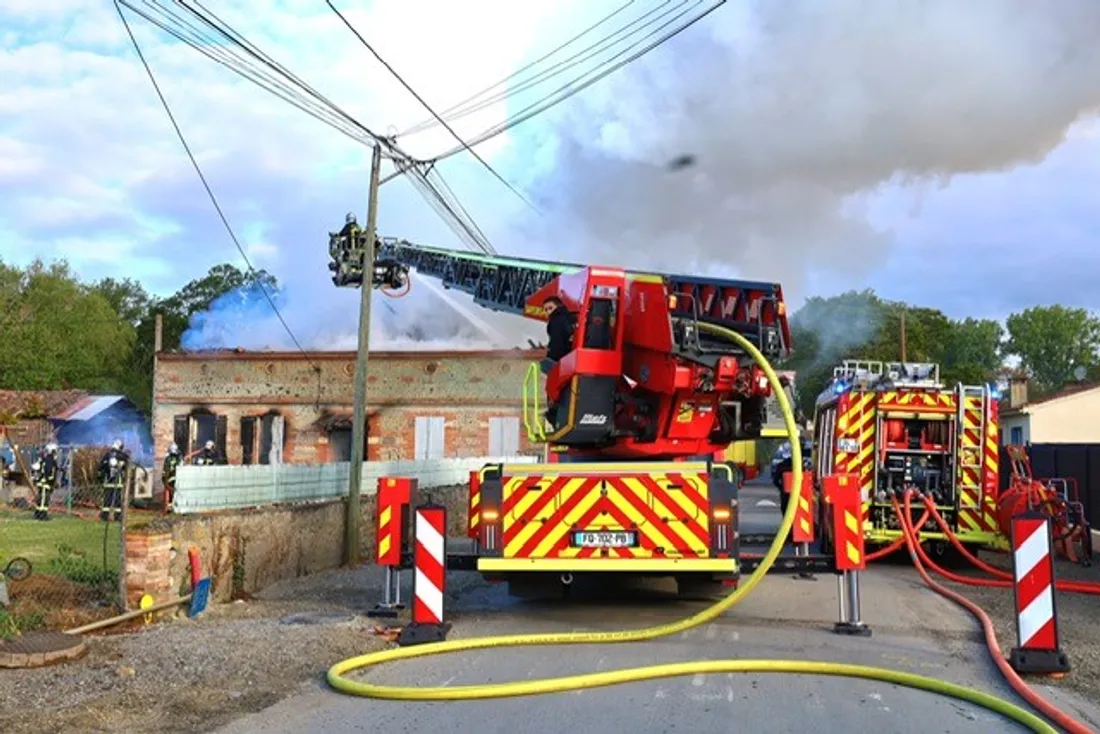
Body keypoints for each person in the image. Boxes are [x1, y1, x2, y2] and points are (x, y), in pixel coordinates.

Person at [98, 439, 129, 522]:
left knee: (107, 499)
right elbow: (127, 465)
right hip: (118, 482)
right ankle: (117, 517)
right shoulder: (122, 456)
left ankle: (104, 516)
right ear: (120, 447)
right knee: (117, 500)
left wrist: (101, 478)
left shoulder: (107, 455)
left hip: (108, 481)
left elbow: (100, 468)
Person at [31, 443, 60, 521]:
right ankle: (42, 515)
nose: (56, 453)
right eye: (55, 451)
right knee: (44, 499)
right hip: (45, 483)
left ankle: (37, 513)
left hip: (43, 482)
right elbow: (49, 472)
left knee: (41, 498)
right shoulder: (50, 460)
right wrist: (51, 481)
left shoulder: (46, 459)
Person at [162, 443, 182, 513]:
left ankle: (167, 508)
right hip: (176, 478)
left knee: (168, 491)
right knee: (173, 493)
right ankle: (172, 507)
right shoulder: (178, 458)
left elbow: (166, 470)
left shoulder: (167, 458)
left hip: (169, 478)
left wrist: (165, 480)